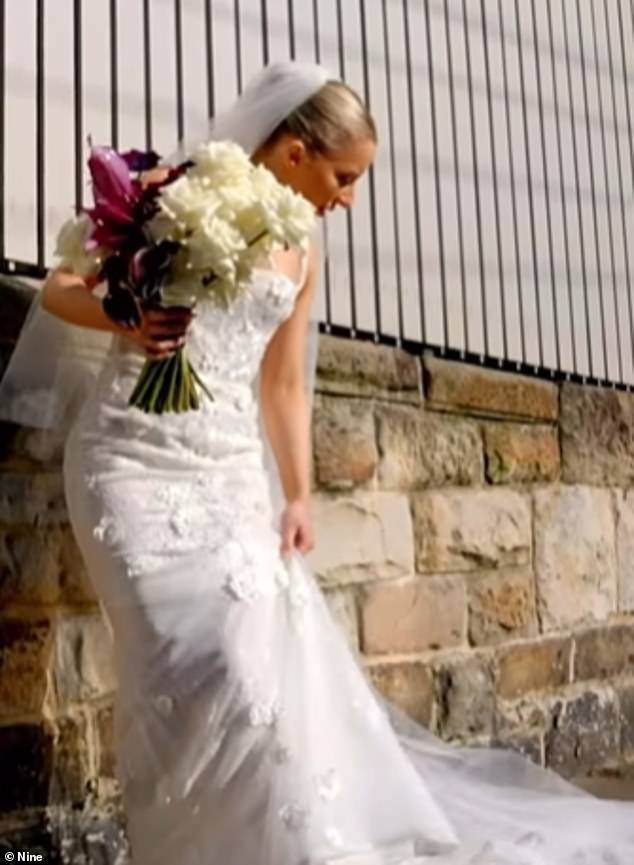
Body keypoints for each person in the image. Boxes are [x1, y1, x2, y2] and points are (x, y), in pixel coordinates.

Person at [2, 61, 634, 865]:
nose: (349, 198)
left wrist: (298, 494)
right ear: (294, 151)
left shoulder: (303, 247)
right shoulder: (172, 190)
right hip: (128, 465)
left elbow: (284, 382)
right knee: (180, 667)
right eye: (345, 175)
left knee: (250, 675)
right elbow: (62, 288)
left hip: (229, 473)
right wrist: (128, 313)